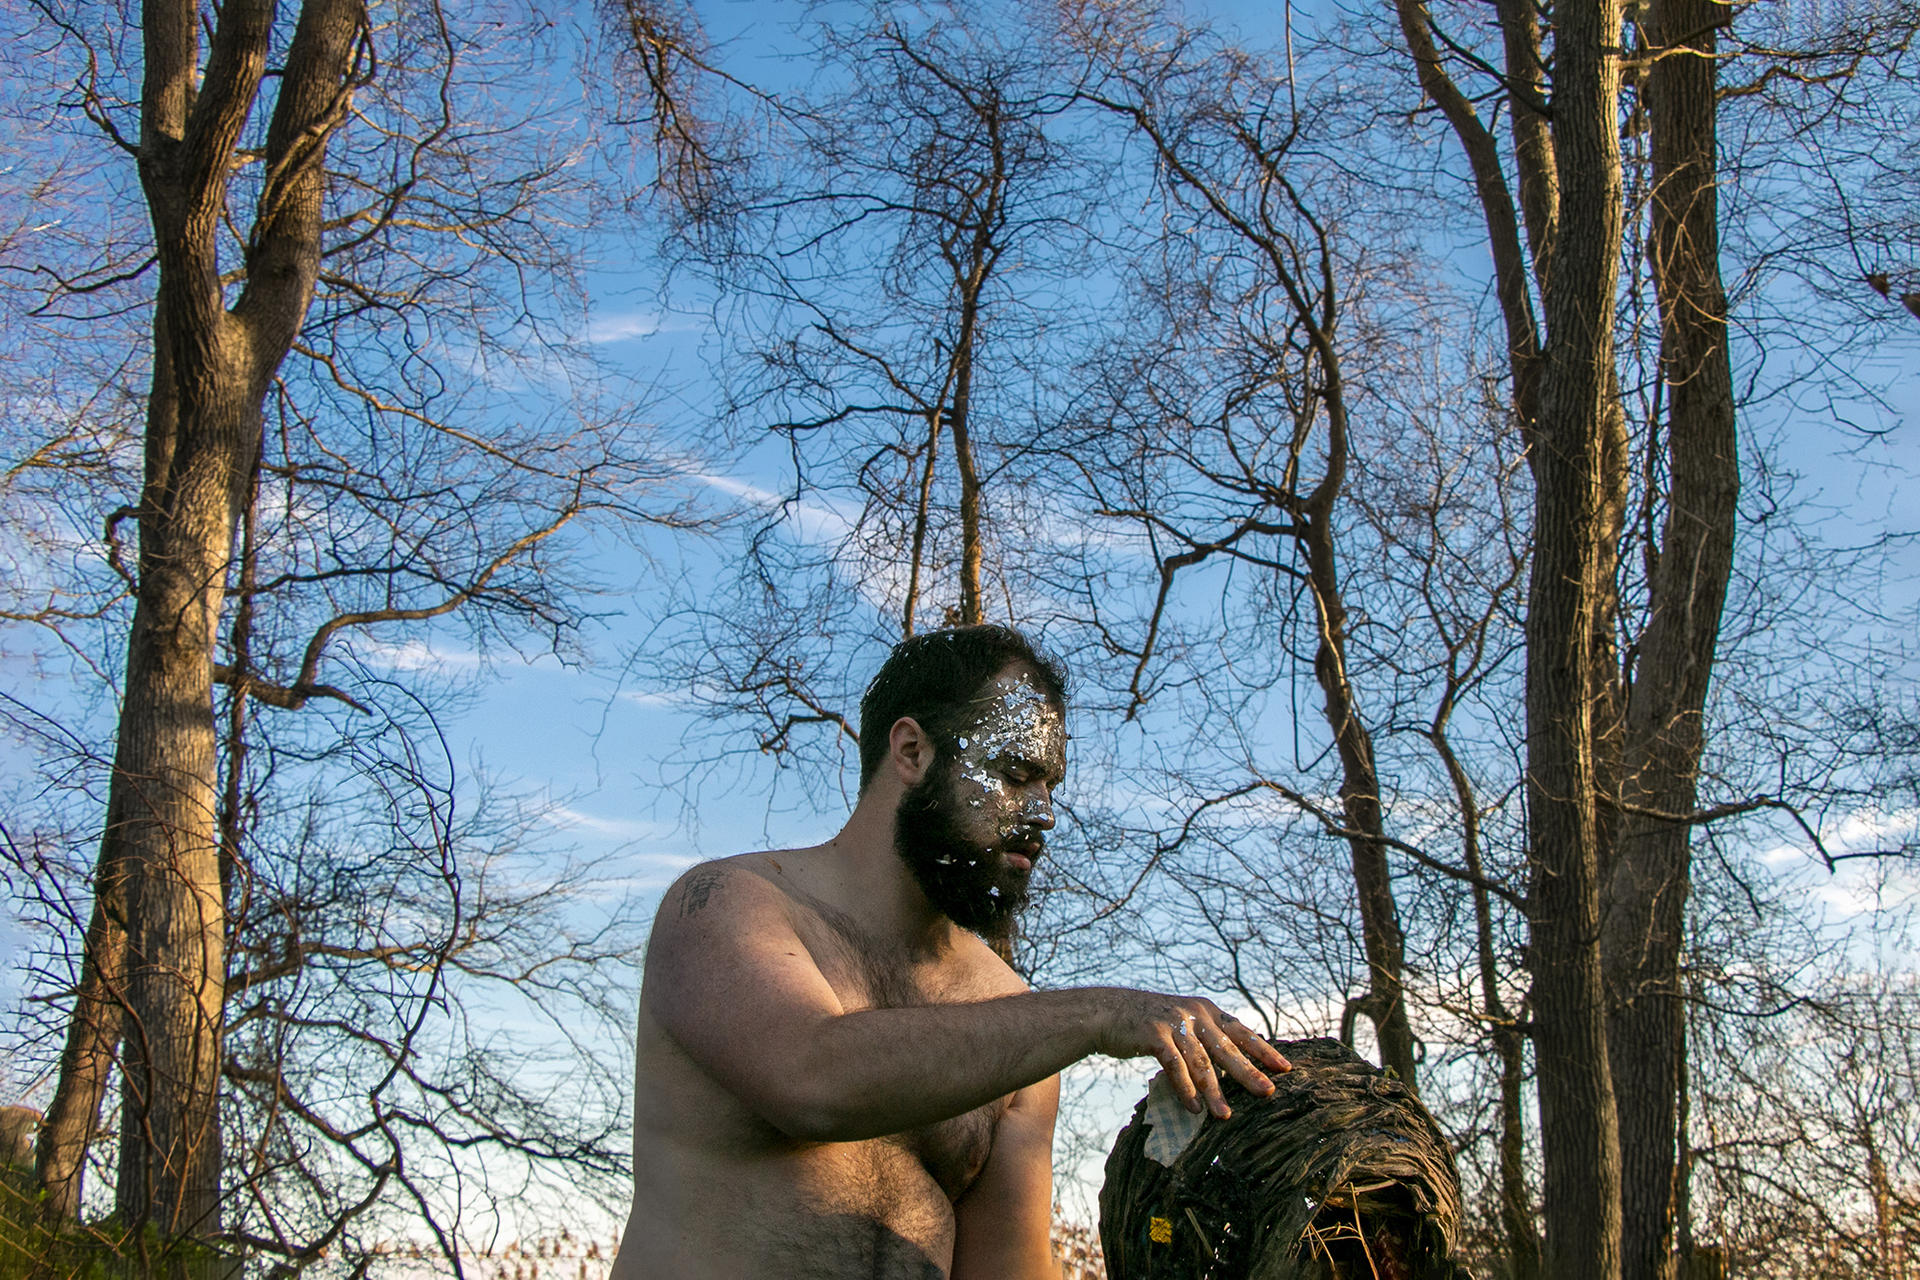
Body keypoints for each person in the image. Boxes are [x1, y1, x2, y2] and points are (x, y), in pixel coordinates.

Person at [612, 625, 1291, 1279]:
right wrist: (1096, 1015)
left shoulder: (1010, 1017)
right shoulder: (728, 904)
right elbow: (812, 1081)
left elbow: (1008, 1270)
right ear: (911, 752)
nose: (1044, 813)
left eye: (1050, 783)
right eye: (1017, 772)